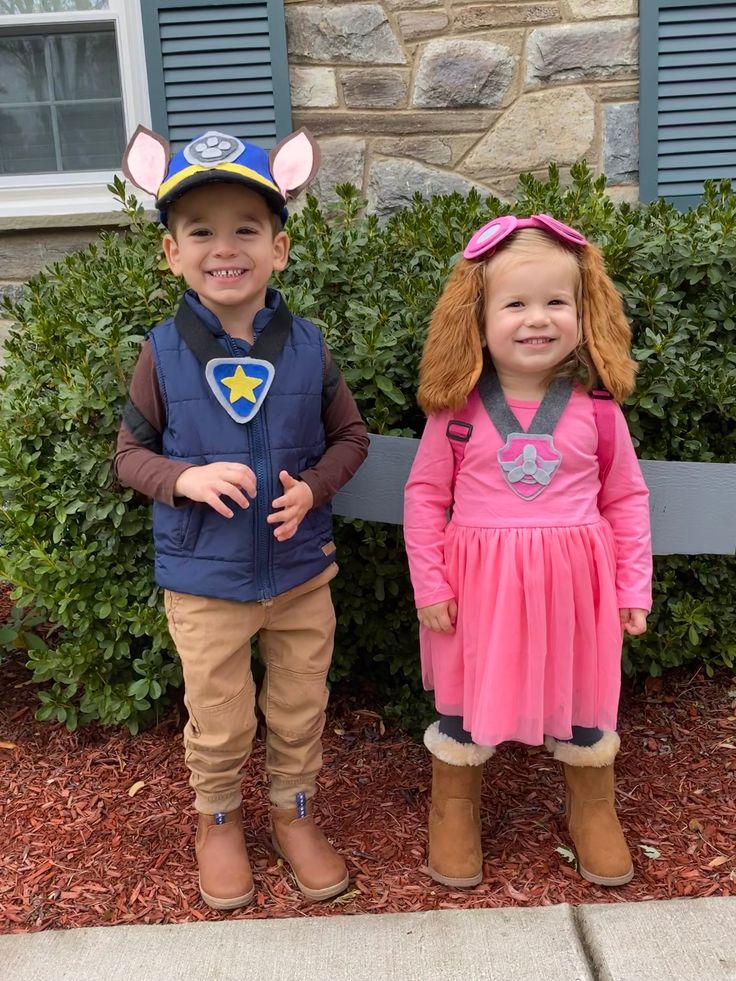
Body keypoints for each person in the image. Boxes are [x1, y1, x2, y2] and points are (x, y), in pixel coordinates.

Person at [114, 125, 369, 910]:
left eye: (246, 230)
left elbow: (350, 438)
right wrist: (185, 477)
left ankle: (294, 812)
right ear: (172, 254)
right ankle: (216, 819)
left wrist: (314, 489)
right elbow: (129, 455)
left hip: (299, 573)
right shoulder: (161, 351)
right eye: (202, 231)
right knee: (219, 718)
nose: (226, 247)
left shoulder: (309, 347)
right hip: (205, 583)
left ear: (280, 248)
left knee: (300, 706)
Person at [403, 214, 652, 890]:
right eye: (515, 303)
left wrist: (634, 589)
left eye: (555, 302)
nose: (536, 319)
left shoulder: (598, 410)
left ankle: (591, 806)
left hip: (578, 590)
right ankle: (453, 805)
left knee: (582, 694)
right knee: (466, 692)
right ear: (477, 317)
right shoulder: (454, 411)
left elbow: (626, 499)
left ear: (584, 309)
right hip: (478, 590)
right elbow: (425, 498)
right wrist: (430, 584)